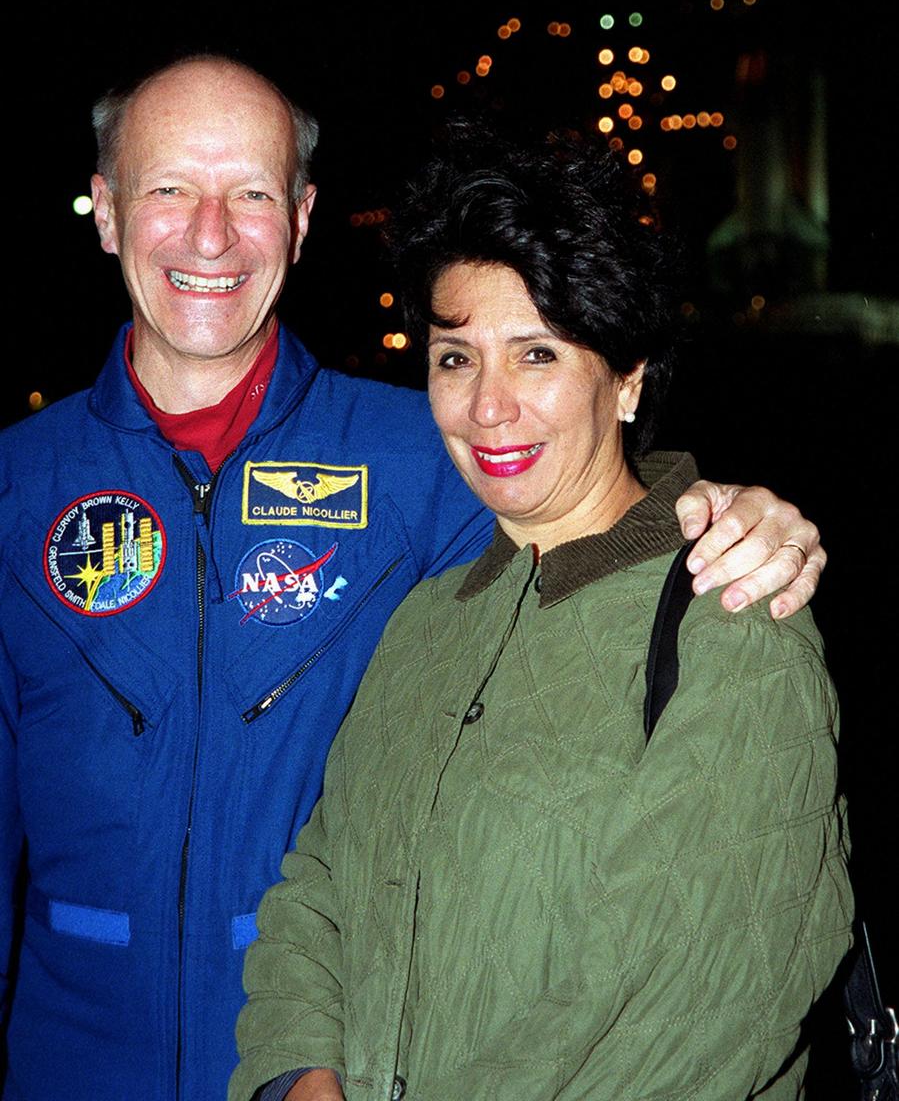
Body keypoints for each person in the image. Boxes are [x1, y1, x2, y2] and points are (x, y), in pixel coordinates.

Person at [0, 58, 826, 1101]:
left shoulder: (417, 461)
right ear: (107, 211)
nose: (209, 234)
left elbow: (591, 504)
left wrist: (744, 513)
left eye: (250, 191)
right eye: (167, 187)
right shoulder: (14, 486)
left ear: (300, 218)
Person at [231, 126, 852, 1101]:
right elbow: (319, 884)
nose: (487, 405)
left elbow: (687, 1010)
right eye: (453, 356)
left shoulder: (730, 615)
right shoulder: (428, 619)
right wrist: (302, 1076)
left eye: (535, 352)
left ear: (627, 374)